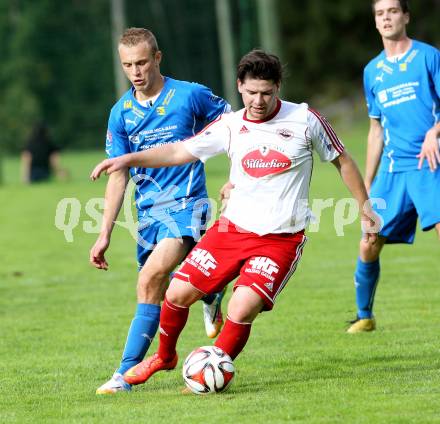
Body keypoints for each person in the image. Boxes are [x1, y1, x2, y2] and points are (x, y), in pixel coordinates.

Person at [91, 49, 378, 389]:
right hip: (229, 232)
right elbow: (178, 151)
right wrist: (127, 159)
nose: (259, 100)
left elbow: (342, 160)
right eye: (252, 92)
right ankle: (165, 356)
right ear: (240, 87)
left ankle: (208, 372)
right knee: (177, 293)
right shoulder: (230, 125)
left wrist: (366, 210)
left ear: (278, 88)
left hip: (279, 241)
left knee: (242, 309)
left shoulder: (305, 119)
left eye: (267, 93)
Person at [91, 27, 230, 394]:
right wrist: (105, 232)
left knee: (149, 279)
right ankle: (210, 292)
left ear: (157, 58)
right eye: (127, 65)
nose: (135, 71)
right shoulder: (120, 114)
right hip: (148, 215)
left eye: (141, 62)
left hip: (188, 206)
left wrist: (237, 179)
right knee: (158, 288)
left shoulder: (190, 95)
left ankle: (124, 375)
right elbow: (118, 175)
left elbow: (236, 127)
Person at [346, 0, 440, 333]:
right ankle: (364, 315)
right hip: (393, 170)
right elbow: (376, 129)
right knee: (369, 240)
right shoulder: (372, 71)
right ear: (375, 22)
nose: (386, 18)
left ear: (406, 16)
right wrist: (368, 184)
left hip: (430, 163)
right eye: (380, 14)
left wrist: (435, 131)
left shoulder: (429, 57)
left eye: (392, 11)